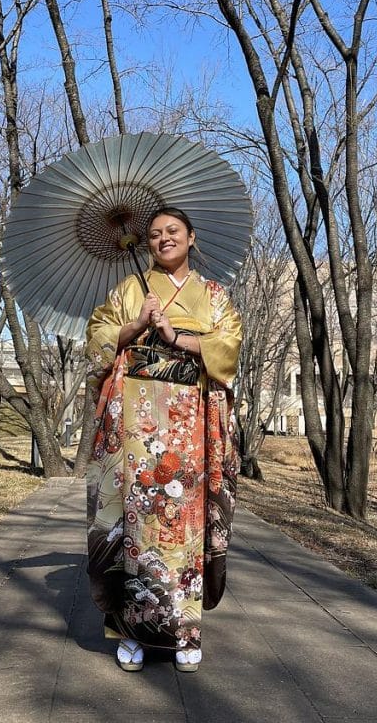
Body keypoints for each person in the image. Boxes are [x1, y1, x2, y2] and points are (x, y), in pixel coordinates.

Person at [84, 207, 242, 673]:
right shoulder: (129, 289)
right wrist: (134, 326)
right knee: (129, 527)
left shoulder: (213, 294)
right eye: (154, 235)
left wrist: (178, 336)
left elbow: (229, 344)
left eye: (173, 231)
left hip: (188, 424)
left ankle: (184, 634)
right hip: (133, 423)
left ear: (191, 237)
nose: (162, 239)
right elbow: (97, 336)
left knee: (183, 526)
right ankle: (129, 631)